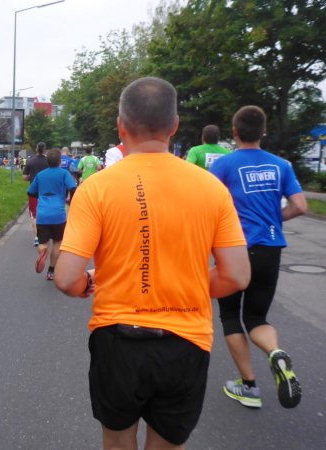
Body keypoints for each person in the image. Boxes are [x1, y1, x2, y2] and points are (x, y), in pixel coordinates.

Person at [54, 77, 250, 449]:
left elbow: (66, 279)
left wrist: (88, 283)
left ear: (120, 126)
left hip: (118, 341)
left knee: (117, 442)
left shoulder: (96, 187)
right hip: (186, 341)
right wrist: (184, 283)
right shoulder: (212, 188)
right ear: (174, 126)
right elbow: (237, 275)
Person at [209, 105, 307, 409]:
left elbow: (207, 206)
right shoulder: (281, 165)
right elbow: (300, 206)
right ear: (264, 132)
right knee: (256, 318)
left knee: (230, 316)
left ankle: (249, 386)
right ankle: (275, 353)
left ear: (234, 132)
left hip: (234, 249)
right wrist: (275, 220)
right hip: (270, 249)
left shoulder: (224, 165)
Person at [27, 149, 77, 280]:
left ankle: (43, 252)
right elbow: (73, 188)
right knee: (57, 242)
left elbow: (30, 192)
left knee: (43, 242)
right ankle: (51, 271)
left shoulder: (40, 175)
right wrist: (71, 201)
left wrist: (41, 196)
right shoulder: (64, 173)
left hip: (43, 213)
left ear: (47, 161)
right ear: (60, 161)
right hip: (58, 213)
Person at [23, 142, 49, 246]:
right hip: (46, 192)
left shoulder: (30, 162)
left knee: (34, 215)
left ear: (36, 150)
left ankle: (37, 237)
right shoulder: (48, 162)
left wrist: (31, 178)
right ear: (45, 151)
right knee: (45, 213)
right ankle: (46, 235)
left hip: (34, 192)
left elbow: (24, 177)